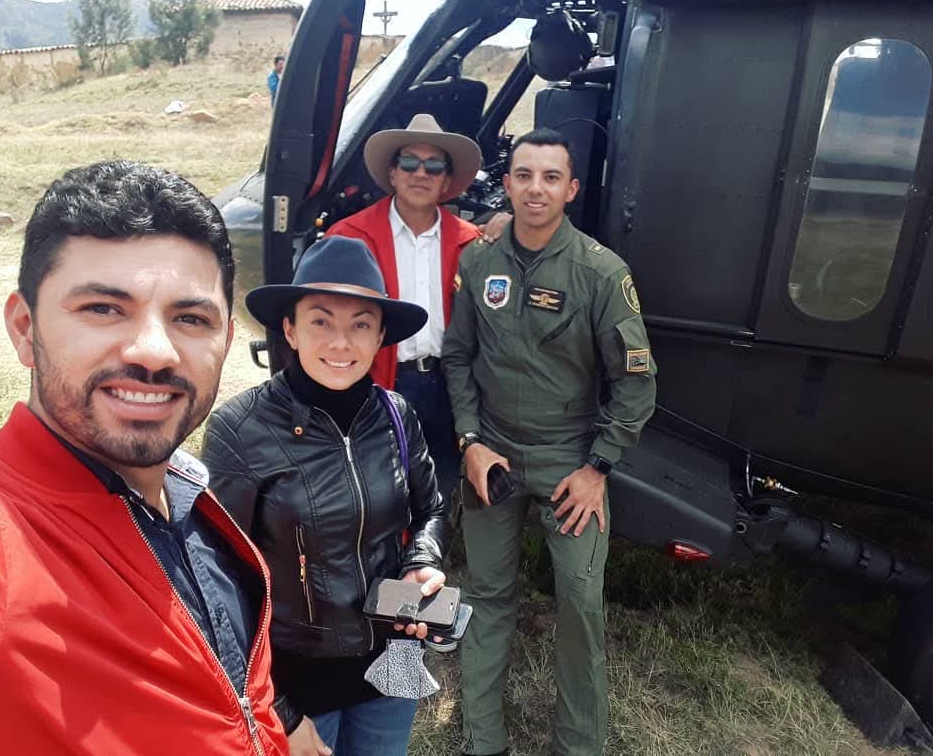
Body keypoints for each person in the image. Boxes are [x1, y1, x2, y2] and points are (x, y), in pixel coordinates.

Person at [0, 160, 287, 755]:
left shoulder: (190, 494)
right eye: (103, 309)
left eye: (190, 318)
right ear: (23, 327)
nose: (155, 352)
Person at [442, 128, 658, 756]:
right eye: (524, 175)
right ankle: (482, 739)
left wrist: (599, 468)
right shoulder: (479, 261)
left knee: (581, 603)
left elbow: (636, 383)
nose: (536, 188)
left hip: (570, 460)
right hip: (493, 455)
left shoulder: (599, 272)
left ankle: (578, 745)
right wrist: (470, 442)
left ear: (571, 189)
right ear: (506, 185)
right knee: (485, 595)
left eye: (550, 177)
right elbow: (459, 358)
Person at [202, 235, 449, 756]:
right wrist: (281, 711)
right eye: (321, 320)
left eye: (360, 324)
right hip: (299, 682)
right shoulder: (240, 431)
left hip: (394, 661)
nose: (342, 342)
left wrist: (421, 562)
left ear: (381, 334)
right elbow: (218, 584)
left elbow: (430, 509)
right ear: (289, 329)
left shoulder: (396, 416)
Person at [326, 113, 482, 515]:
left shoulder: (473, 245)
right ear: (392, 174)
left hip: (446, 386)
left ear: (447, 181)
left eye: (434, 166)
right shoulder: (348, 239)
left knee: (439, 491)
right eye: (410, 162)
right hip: (379, 382)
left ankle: (427, 566)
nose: (421, 173)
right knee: (376, 492)